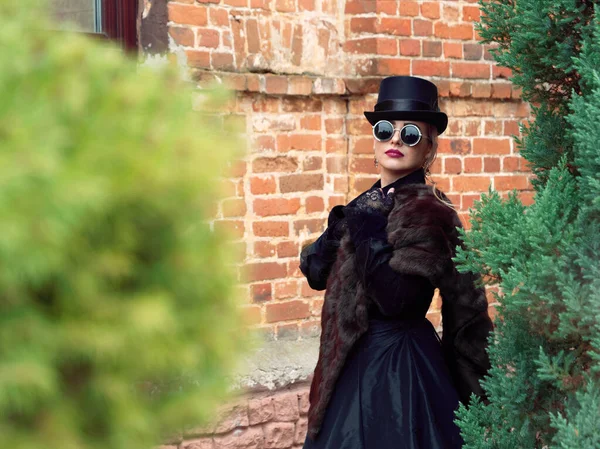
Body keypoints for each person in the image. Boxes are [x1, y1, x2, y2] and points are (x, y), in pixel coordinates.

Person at [300, 76, 493, 449]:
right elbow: (316, 274)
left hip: (400, 373)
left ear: (428, 149)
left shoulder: (428, 210)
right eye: (386, 129)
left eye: (410, 134)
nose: (394, 140)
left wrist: (365, 226)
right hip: (349, 365)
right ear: (374, 139)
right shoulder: (367, 203)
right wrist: (340, 225)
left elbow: (398, 299)